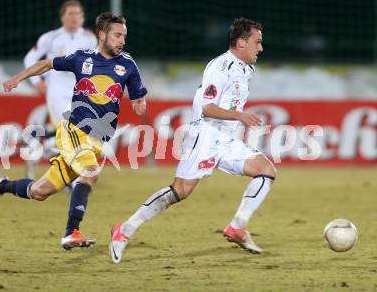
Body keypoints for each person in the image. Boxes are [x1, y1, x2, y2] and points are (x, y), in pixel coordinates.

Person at [109, 18, 276, 264]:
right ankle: (125, 229)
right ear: (241, 43)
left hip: (226, 139)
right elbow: (207, 108)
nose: (260, 48)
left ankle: (238, 226)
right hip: (206, 134)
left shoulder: (246, 69)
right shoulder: (220, 67)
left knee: (266, 170)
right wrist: (240, 116)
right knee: (181, 190)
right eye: (257, 42)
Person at [0, 12, 148, 250]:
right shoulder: (82, 58)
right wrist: (18, 78)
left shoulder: (128, 64)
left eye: (124, 36)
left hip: (96, 141)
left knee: (39, 191)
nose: (122, 40)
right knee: (90, 173)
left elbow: (139, 96)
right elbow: (47, 64)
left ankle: (2, 186)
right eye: (117, 35)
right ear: (102, 35)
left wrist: (139, 104)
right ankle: (71, 232)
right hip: (74, 129)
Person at [23, 0, 98, 179]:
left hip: (79, 92)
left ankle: (34, 152)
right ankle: (71, 179)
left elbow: (95, 63)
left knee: (73, 134)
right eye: (70, 14)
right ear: (62, 17)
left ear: (82, 18)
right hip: (57, 91)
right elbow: (30, 58)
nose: (74, 18)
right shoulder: (51, 38)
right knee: (68, 132)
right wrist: (37, 82)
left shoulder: (89, 38)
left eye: (77, 14)